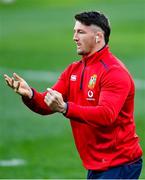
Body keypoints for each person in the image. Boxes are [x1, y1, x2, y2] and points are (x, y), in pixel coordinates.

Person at [4, 11, 143, 179]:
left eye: (80, 32)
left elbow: (106, 115)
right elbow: (46, 104)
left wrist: (65, 107)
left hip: (120, 163)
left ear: (98, 36)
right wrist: (30, 94)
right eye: (74, 31)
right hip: (97, 163)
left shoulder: (113, 72)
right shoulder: (73, 70)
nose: (74, 37)